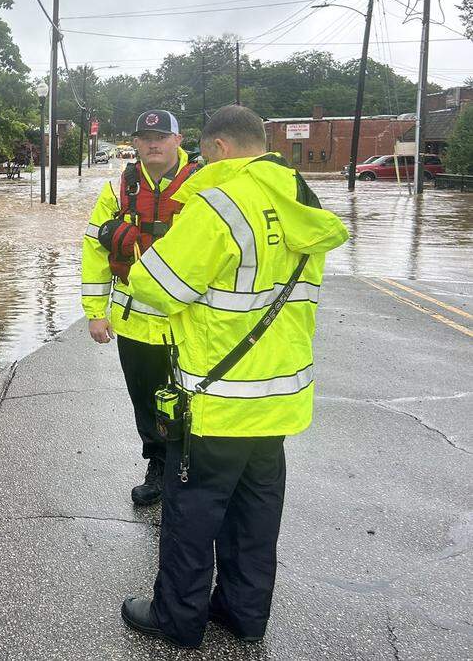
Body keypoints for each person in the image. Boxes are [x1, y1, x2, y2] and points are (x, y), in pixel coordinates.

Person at [118, 105, 348, 647]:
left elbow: (157, 286)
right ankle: (243, 614)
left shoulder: (219, 204)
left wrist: (132, 245)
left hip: (216, 399)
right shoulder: (300, 199)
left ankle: (178, 618)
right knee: (254, 515)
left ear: (219, 147)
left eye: (203, 152)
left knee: (192, 512)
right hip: (278, 398)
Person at [82, 109, 198, 506]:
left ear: (178, 140)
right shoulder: (118, 190)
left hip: (191, 323)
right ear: (135, 143)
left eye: (161, 136)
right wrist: (95, 312)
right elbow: (95, 251)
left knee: (193, 400)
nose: (153, 143)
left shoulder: (204, 185)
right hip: (134, 323)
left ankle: (191, 469)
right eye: (145, 138)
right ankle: (159, 466)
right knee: (147, 403)